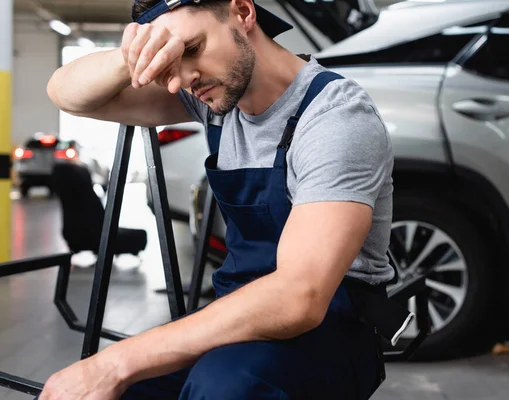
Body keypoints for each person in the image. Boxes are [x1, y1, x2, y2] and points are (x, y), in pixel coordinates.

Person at [41, 0, 396, 398]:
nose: (185, 77)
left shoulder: (335, 118)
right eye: (169, 63)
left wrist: (115, 362)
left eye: (190, 49)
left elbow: (300, 297)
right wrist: (133, 57)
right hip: (236, 318)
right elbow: (67, 94)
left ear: (243, 13)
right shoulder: (215, 101)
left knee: (223, 387)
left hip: (331, 331)